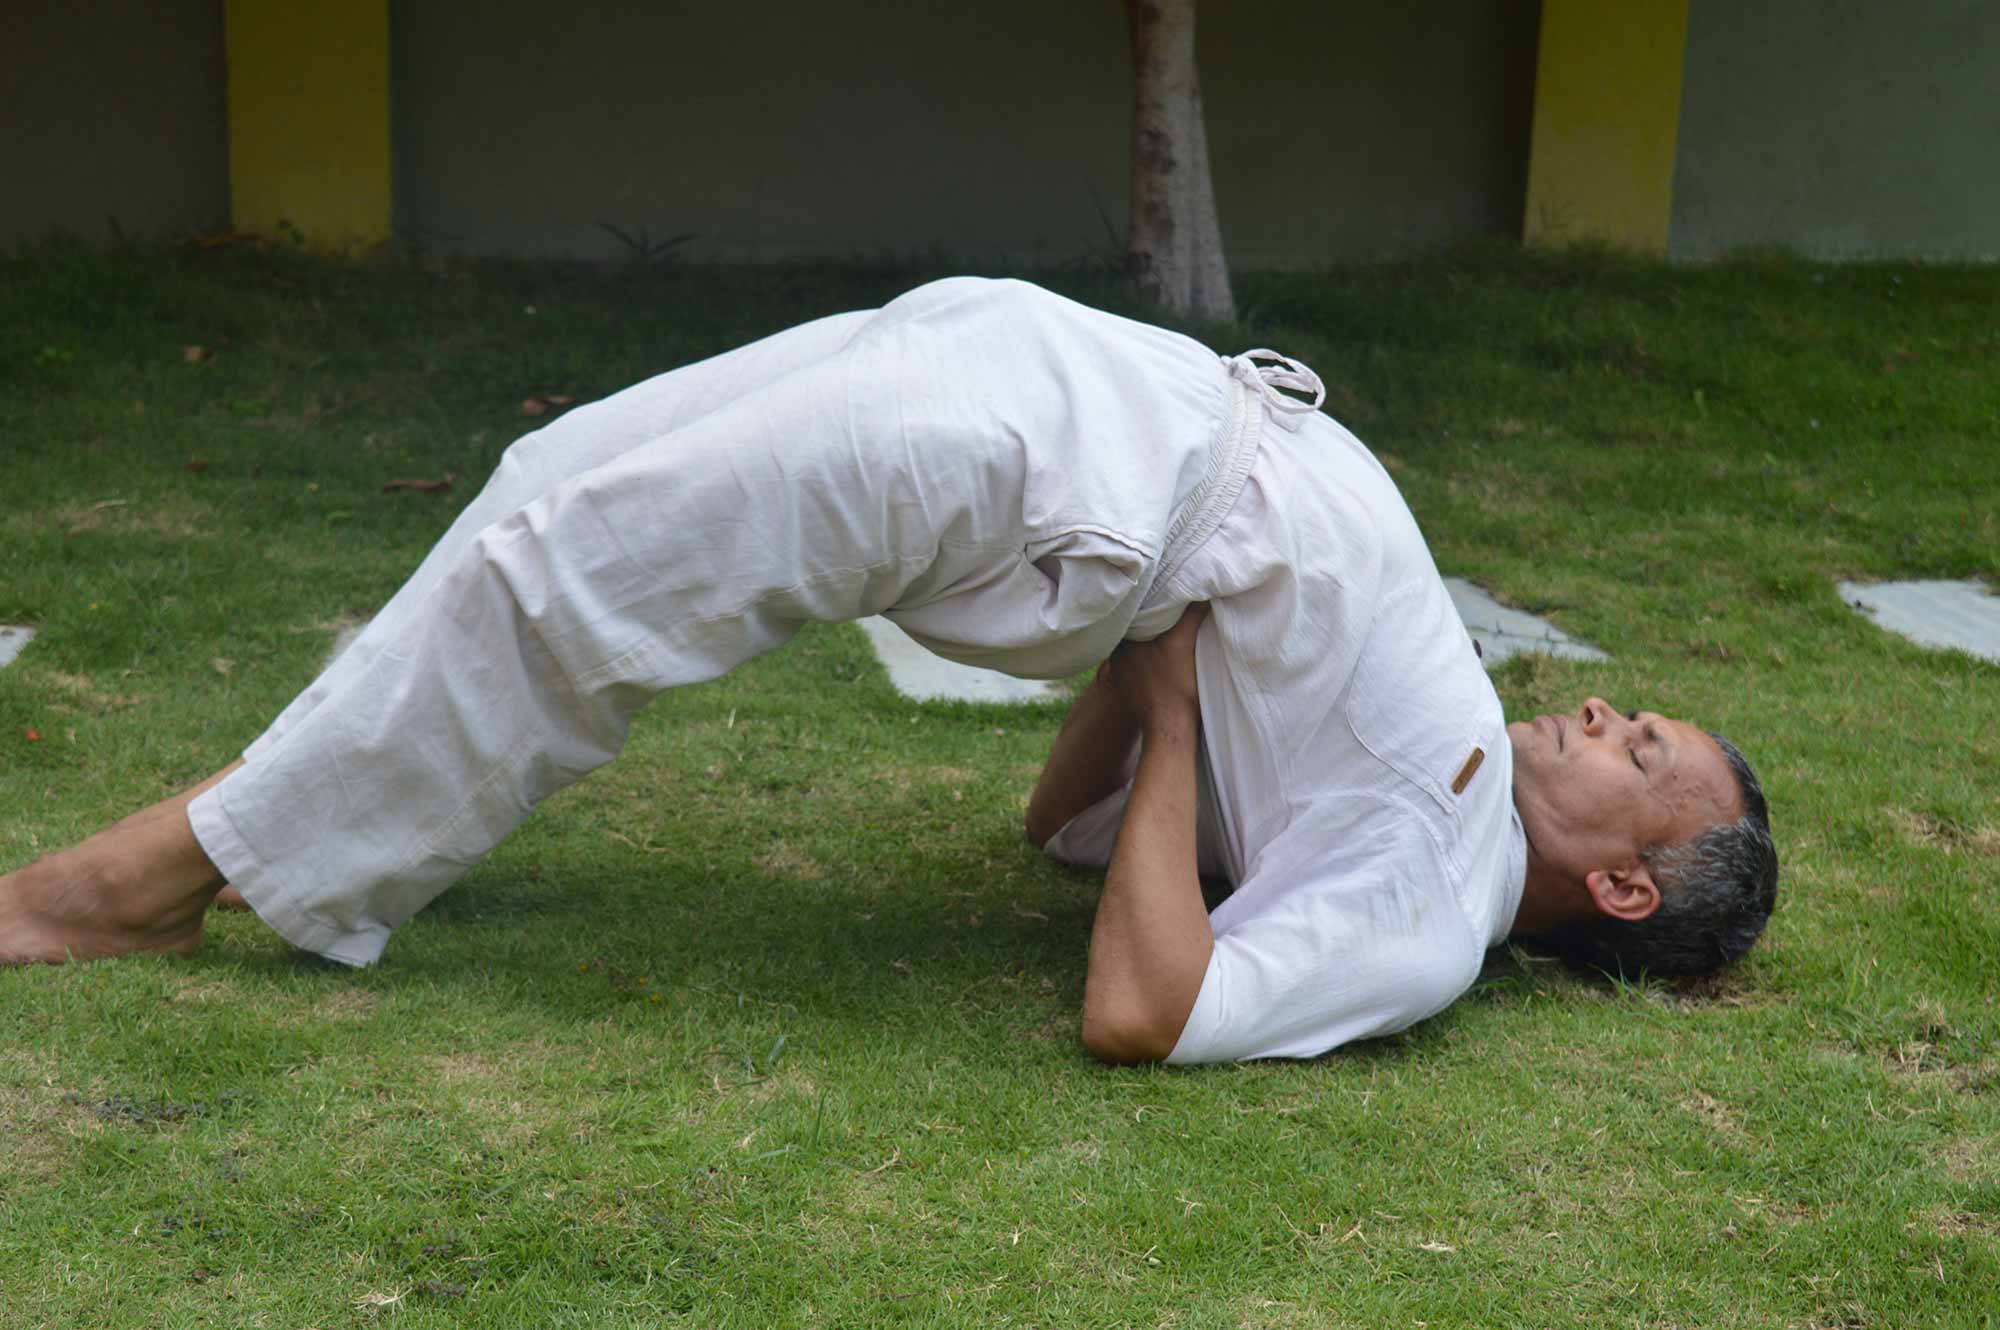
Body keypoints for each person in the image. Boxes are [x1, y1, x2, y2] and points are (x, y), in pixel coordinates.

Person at [0, 277, 1778, 1063]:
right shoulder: (1428, 766)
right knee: (549, 491)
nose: (1613, 711)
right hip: (1068, 380)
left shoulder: (1430, 906)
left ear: (1623, 882)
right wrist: (1158, 698)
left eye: (1646, 749)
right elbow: (1049, 822)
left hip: (1052, 469)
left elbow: (1146, 1011)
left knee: (577, 575)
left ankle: (146, 881)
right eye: (1640, 711)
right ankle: (238, 857)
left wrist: (1166, 709)